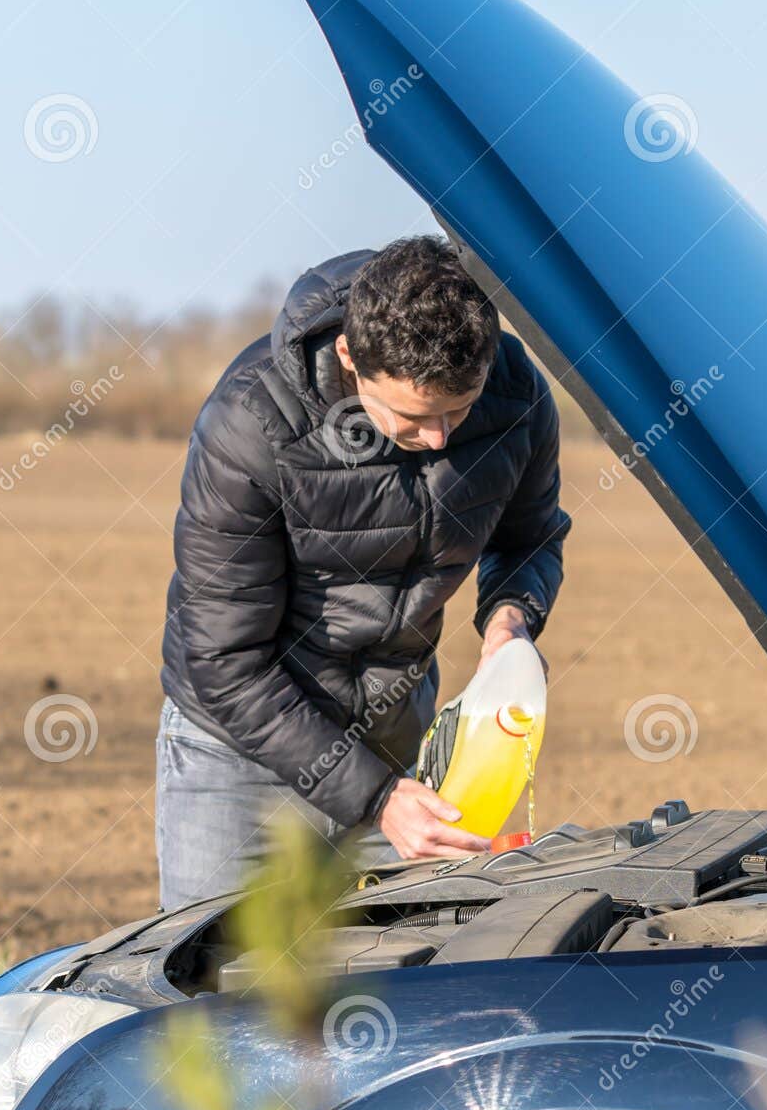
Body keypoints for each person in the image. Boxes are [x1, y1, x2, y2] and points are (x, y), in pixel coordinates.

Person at [155, 236, 570, 909]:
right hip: (238, 763)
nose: (440, 438)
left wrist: (509, 620)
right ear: (350, 357)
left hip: (401, 748)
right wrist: (374, 797)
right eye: (414, 416)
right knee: (226, 999)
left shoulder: (515, 392)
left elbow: (531, 538)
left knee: (408, 994)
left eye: (458, 412)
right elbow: (225, 658)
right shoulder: (251, 425)